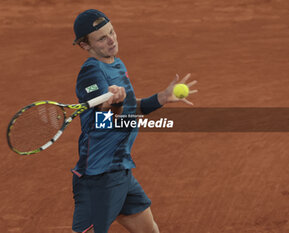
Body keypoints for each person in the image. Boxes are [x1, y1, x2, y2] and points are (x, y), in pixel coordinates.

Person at [71, 9, 197, 233]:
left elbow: (128, 109)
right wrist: (115, 104)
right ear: (85, 46)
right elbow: (104, 118)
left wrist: (161, 98)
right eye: (102, 38)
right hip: (99, 176)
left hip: (120, 169)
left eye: (112, 32)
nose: (111, 40)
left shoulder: (116, 65)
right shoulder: (91, 72)